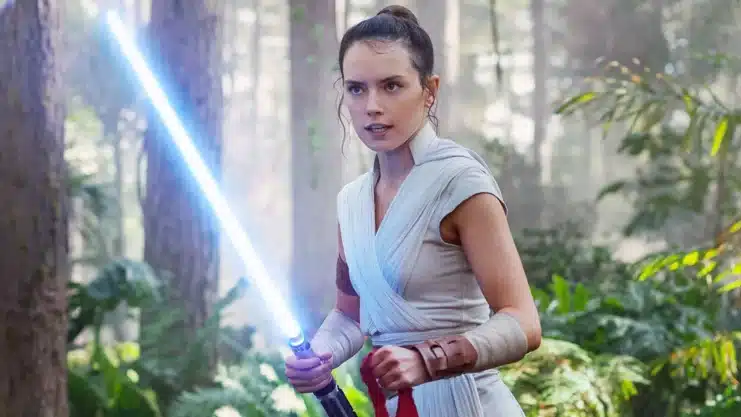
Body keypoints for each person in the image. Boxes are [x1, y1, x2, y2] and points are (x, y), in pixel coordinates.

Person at [284, 5, 541, 417]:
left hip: (470, 405)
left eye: (391, 86)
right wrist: (318, 356)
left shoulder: (461, 182)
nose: (372, 105)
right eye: (356, 89)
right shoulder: (351, 202)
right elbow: (350, 315)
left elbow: (524, 322)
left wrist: (428, 359)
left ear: (429, 90)